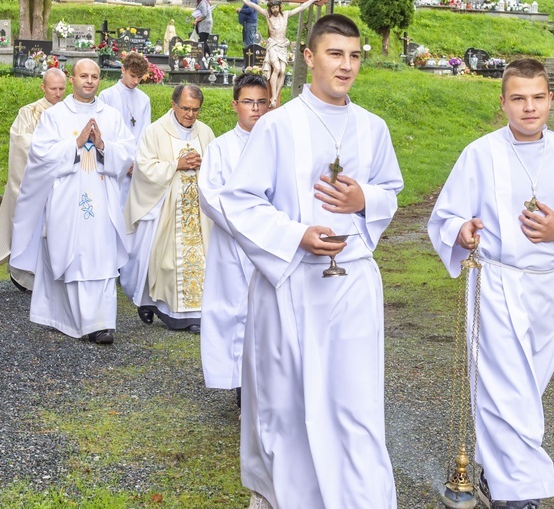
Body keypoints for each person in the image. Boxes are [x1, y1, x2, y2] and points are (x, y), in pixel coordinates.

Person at [220, 14, 402, 508]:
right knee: (288, 400)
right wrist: (298, 234)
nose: (346, 66)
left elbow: (391, 191)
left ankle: (358, 497)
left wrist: (364, 198)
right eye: (335, 54)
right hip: (291, 285)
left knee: (354, 398)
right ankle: (291, 496)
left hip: (352, 283)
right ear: (308, 57)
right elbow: (240, 200)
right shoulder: (278, 125)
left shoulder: (373, 127)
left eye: (355, 56)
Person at [427, 59, 554, 509]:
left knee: (527, 387)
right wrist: (462, 231)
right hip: (495, 283)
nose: (529, 108)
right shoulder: (480, 153)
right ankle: (520, 491)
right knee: (500, 386)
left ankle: (495, 473)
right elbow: (446, 215)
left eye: (537, 97)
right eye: (518, 98)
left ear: (550, 99)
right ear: (503, 102)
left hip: (546, 288)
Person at [10, 59, 135, 345]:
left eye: (94, 76)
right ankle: (73, 320)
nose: (89, 81)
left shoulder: (111, 116)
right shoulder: (55, 116)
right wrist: (75, 144)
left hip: (102, 198)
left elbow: (129, 152)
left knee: (101, 256)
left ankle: (102, 323)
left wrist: (103, 146)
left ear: (99, 80)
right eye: (83, 76)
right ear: (73, 78)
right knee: (73, 256)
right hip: (67, 199)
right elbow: (39, 156)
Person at [198, 74, 269, 401]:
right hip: (233, 244)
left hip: (270, 243)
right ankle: (240, 382)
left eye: (261, 102)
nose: (255, 109)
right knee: (233, 311)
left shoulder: (279, 143)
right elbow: (209, 196)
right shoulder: (221, 147)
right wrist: (243, 224)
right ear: (234, 105)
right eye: (248, 102)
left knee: (268, 315)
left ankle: (269, 383)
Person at [122, 84, 215, 334]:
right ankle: (159, 306)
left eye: (195, 110)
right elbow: (144, 167)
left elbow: (217, 167)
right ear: (173, 104)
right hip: (166, 208)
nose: (190, 115)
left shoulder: (205, 133)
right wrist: (177, 165)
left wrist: (201, 164)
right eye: (185, 108)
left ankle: (194, 314)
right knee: (166, 263)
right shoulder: (155, 132)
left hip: (197, 212)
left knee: (201, 261)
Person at [0, 68, 67, 292]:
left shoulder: (71, 111)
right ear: (43, 87)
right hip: (36, 183)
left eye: (62, 88)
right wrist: (55, 148)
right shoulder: (29, 112)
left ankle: (56, 275)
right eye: (53, 89)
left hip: (62, 183)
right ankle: (26, 275)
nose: (58, 93)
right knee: (32, 229)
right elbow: (22, 144)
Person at [241, 0, 317, 108]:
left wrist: (312, 0)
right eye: (272, 8)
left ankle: (275, 94)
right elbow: (253, 5)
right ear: (270, 9)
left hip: (283, 46)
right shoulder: (267, 15)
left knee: (282, 71)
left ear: (279, 7)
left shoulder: (285, 15)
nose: (274, 10)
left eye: (276, 7)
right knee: (276, 68)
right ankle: (274, 97)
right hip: (273, 45)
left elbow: (301, 8)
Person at [99, 51, 152, 206]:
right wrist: (123, 160)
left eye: (139, 77)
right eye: (132, 75)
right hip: (114, 160)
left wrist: (136, 161)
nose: (136, 81)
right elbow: (106, 131)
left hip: (136, 164)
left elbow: (145, 132)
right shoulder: (107, 96)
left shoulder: (144, 99)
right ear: (123, 70)